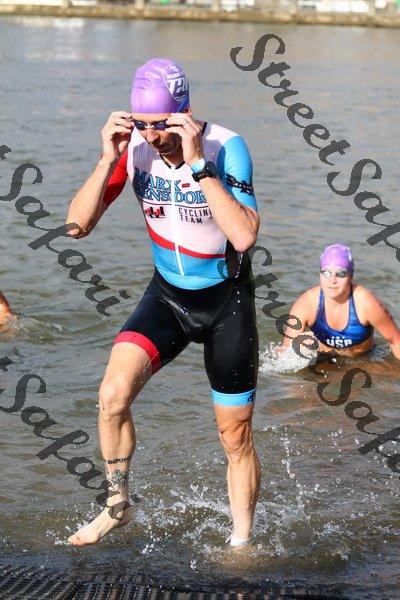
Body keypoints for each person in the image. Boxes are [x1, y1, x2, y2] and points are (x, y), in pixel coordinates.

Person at [66, 58, 260, 547]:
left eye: (161, 124)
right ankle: (117, 506)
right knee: (112, 397)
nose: (152, 136)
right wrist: (107, 160)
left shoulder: (226, 146)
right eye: (142, 123)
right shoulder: (133, 149)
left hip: (226, 303)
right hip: (168, 297)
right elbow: (76, 227)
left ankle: (241, 542)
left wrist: (199, 165)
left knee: (234, 435)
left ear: (184, 113)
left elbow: (244, 235)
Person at [281, 244, 400, 359]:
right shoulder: (307, 304)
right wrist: (295, 350)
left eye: (341, 273)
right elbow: (284, 351)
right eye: (326, 273)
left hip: (363, 360)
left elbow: (396, 341)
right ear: (320, 274)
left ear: (351, 276)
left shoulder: (366, 303)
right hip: (324, 360)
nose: (332, 280)